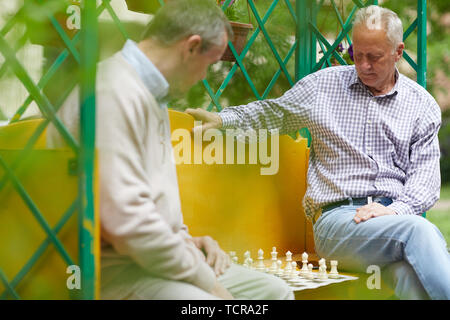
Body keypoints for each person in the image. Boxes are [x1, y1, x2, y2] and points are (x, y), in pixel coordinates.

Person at [187, 5, 450, 300]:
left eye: (373, 57)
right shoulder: (323, 87)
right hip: (339, 222)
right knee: (420, 232)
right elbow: (275, 113)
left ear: (398, 52)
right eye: (356, 54)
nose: (363, 65)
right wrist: (224, 120)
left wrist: (393, 211)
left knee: (408, 276)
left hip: (393, 219)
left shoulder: (421, 105)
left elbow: (425, 182)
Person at [47, 0, 293, 300]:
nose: (205, 76)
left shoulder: (150, 92)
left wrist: (187, 240)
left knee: (273, 293)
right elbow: (127, 221)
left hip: (148, 264)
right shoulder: (113, 92)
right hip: (109, 274)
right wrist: (204, 278)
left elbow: (146, 203)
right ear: (191, 47)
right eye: (209, 63)